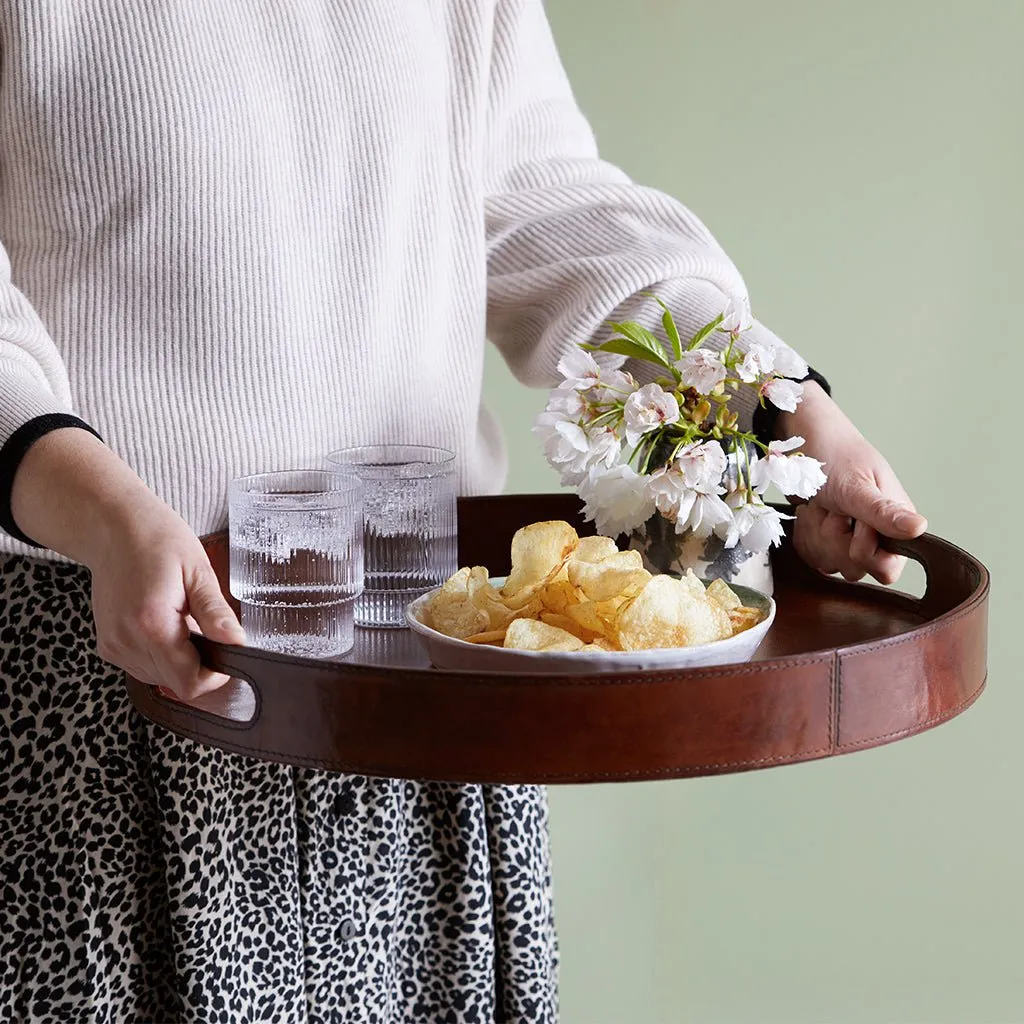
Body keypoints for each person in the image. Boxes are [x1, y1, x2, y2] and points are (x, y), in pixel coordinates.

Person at [0, 1, 925, 1021]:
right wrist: (99, 509)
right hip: (103, 672)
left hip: (422, 679)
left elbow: (543, 211)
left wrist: (774, 415)